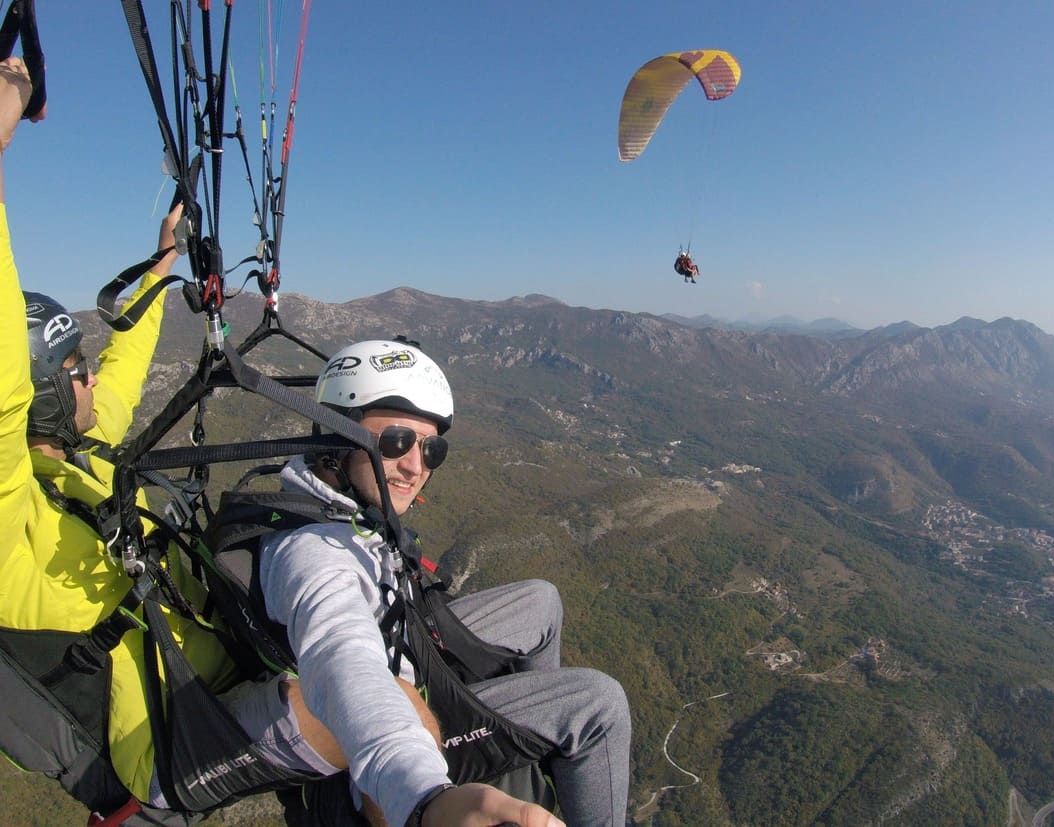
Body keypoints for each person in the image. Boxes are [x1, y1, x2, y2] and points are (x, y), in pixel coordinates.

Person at [227, 338, 632, 827]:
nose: (416, 467)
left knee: (541, 603)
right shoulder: (318, 556)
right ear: (336, 439)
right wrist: (425, 800)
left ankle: (531, 755)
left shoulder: (327, 504)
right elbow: (347, 667)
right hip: (374, 775)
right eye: (395, 441)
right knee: (598, 705)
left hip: (401, 647)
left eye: (430, 448)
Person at [0, 55, 236, 808]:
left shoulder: (82, 452)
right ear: (34, 393)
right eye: (75, 369)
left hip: (212, 678)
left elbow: (127, 356)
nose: (91, 377)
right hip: (167, 748)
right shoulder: (15, 523)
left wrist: (164, 255)